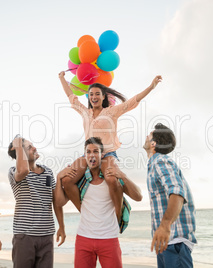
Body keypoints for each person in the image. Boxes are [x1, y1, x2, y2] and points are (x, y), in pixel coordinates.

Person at [58, 71, 162, 222]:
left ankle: (118, 216)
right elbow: (71, 97)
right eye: (91, 94)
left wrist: (151, 87)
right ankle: (85, 213)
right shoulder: (85, 112)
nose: (94, 97)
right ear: (89, 97)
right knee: (67, 180)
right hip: (90, 155)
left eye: (97, 94)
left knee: (112, 179)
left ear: (103, 96)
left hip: (108, 154)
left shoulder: (112, 112)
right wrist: (62, 78)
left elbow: (132, 101)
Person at [56, 137, 142, 268]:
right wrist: (59, 177)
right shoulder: (80, 182)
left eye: (95, 151)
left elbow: (139, 196)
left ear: (102, 155)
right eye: (88, 152)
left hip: (109, 239)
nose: (92, 155)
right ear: (85, 156)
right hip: (83, 238)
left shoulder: (112, 178)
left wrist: (122, 175)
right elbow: (59, 202)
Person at [143, 123, 197, 268]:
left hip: (175, 242)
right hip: (167, 242)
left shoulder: (160, 161)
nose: (146, 137)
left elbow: (177, 192)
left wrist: (165, 225)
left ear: (153, 143)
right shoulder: (154, 164)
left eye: (150, 134)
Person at [7, 136, 66, 268]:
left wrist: (61, 226)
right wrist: (17, 145)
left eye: (32, 145)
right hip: (24, 236)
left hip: (47, 235)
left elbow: (56, 201)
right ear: (19, 152)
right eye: (28, 147)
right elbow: (23, 170)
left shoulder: (47, 172)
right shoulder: (14, 172)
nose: (34, 148)